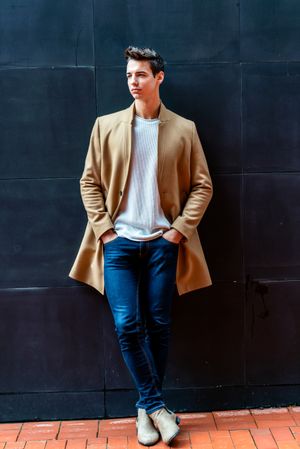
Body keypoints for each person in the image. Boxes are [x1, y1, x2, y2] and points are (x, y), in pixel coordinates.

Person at [69, 46, 213, 446]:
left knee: (159, 327)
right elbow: (89, 182)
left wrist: (178, 232)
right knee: (127, 325)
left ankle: (144, 412)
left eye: (141, 75)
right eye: (129, 74)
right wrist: (105, 231)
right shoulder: (107, 125)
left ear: (159, 78)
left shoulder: (184, 129)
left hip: (163, 245)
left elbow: (203, 185)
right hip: (118, 246)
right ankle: (157, 407)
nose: (133, 81)